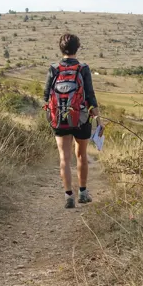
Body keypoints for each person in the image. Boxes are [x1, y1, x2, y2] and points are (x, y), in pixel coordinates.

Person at [43, 33, 100, 209]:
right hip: (82, 117)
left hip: (59, 118)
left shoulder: (54, 68)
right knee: (81, 155)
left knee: (64, 157)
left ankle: (68, 196)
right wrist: (98, 119)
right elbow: (90, 95)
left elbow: (46, 95)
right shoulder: (83, 68)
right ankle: (83, 193)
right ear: (77, 48)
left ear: (61, 48)